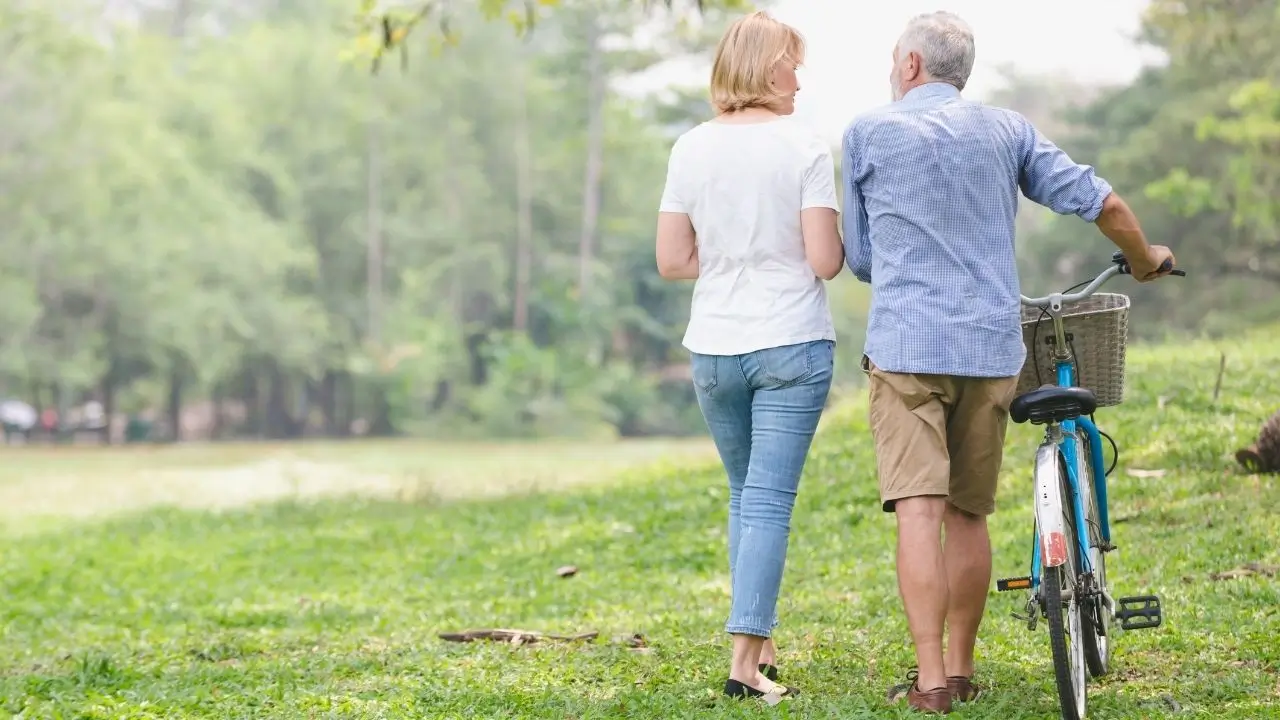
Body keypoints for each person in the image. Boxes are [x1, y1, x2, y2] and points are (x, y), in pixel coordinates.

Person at [840, 11, 1177, 715]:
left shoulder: (867, 133)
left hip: (906, 349)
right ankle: (963, 668)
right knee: (969, 514)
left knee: (917, 513)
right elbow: (1102, 201)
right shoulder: (1007, 130)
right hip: (990, 347)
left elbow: (864, 260)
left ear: (909, 67)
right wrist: (1145, 261)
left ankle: (931, 683)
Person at [655, 10, 843, 705]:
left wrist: (730, 254)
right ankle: (743, 666)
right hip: (789, 339)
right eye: (794, 62)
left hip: (714, 349)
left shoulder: (689, 148)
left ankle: (759, 645)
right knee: (766, 500)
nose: (800, 76)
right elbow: (824, 261)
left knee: (744, 496)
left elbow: (673, 260)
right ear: (770, 70)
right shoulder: (803, 147)